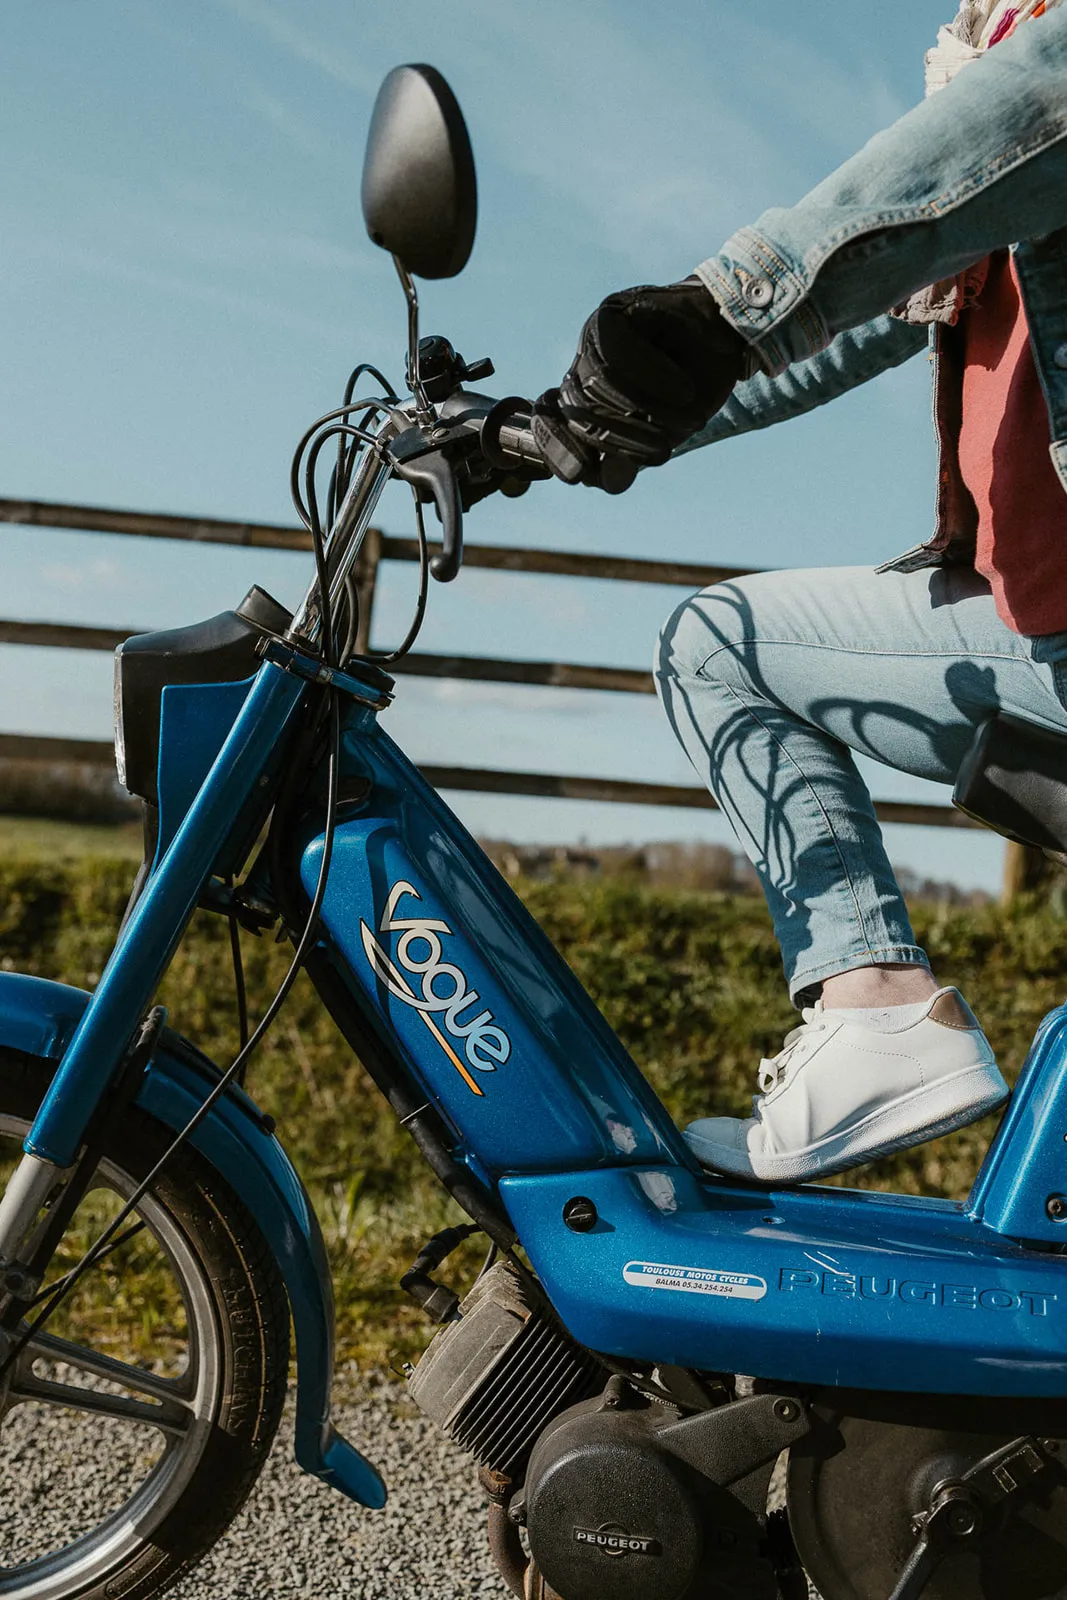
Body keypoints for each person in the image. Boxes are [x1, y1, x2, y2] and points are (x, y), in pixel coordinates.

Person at [533, 0, 1067, 1184]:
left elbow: (1022, 116)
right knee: (720, 635)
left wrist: (714, 307)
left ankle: (873, 1001)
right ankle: (874, 1008)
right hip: (1041, 629)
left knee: (718, 647)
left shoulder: (1032, 69)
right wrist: (578, 425)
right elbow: (864, 307)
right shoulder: (999, 57)